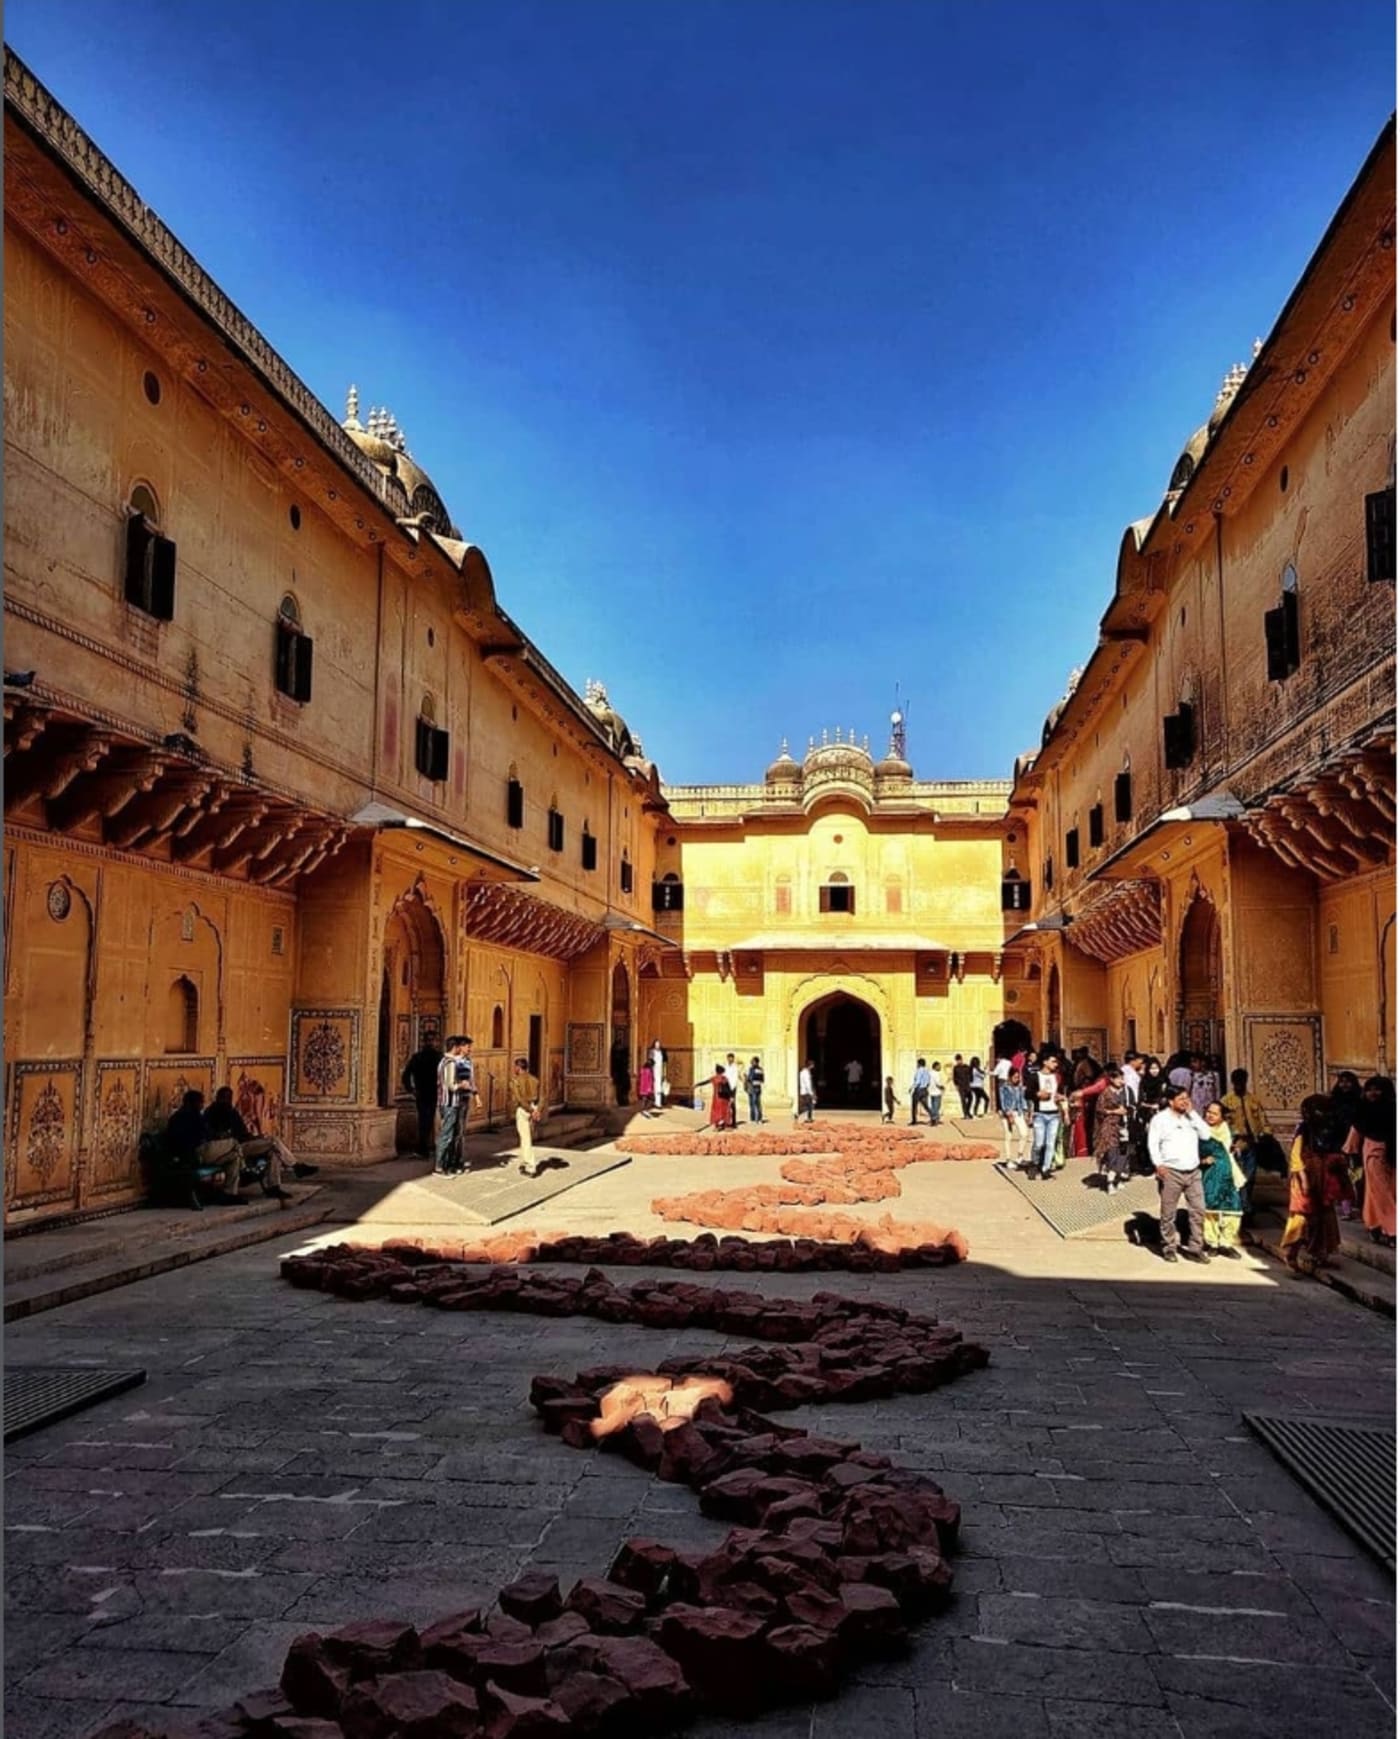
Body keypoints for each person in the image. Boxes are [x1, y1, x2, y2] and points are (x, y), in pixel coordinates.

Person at [1281, 1095, 1347, 1275]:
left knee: (1325, 1217)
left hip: (1323, 1177)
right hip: (1306, 1177)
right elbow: (1296, 1157)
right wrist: (1304, 1180)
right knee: (1301, 1218)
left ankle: (1320, 1253)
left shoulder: (1329, 1130)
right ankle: (1290, 1255)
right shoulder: (1304, 1130)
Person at [1147, 1086, 1212, 1263]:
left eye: (1186, 1098)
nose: (1185, 1101)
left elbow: (1206, 1135)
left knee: (1198, 1210)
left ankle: (1195, 1247)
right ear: (1171, 1101)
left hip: (1193, 1171)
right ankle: (1169, 1246)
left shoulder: (1191, 1117)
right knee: (1168, 1213)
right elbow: (1153, 1143)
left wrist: (1194, 1114)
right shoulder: (1160, 1120)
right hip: (1171, 1171)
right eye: (1181, 1098)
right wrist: (1158, 1164)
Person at [202, 1086, 292, 1199]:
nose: (227, 1101)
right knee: (273, 1142)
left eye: (229, 1098)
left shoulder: (232, 1112)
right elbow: (210, 1135)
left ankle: (274, 1187)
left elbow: (242, 1133)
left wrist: (255, 1138)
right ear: (218, 1098)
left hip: (242, 1144)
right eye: (224, 1098)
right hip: (231, 1148)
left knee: (273, 1152)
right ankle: (294, 1165)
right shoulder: (210, 1113)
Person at [1344, 1076, 1396, 1248]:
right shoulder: (1362, 1111)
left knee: (1382, 1192)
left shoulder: (1393, 1109)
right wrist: (1350, 1157)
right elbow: (1354, 1135)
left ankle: (1374, 1224)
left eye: (1377, 1089)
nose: (1373, 1093)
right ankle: (1393, 1230)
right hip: (1373, 1153)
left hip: (1393, 1153)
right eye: (1369, 1089)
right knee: (1381, 1191)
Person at [165, 1090, 241, 1202]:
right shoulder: (192, 1116)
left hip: (192, 1155)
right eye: (200, 1102)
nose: (202, 1105)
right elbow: (205, 1135)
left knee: (234, 1157)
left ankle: (229, 1194)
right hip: (197, 1153)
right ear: (194, 1103)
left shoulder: (177, 1117)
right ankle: (241, 1171)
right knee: (234, 1143)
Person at [1199, 1101, 1244, 1258]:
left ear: (1222, 1116)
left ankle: (1226, 1243)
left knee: (1233, 1210)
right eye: (1208, 1112)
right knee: (1210, 1210)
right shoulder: (1201, 1132)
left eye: (1214, 1113)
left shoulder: (1230, 1130)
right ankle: (1212, 1242)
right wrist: (1203, 1161)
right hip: (1210, 1174)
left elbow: (1239, 1143)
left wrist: (1238, 1148)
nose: (1210, 1116)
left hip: (1229, 1174)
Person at [1221, 1068, 1269, 1213]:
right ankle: (1244, 1206)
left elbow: (1262, 1119)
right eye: (1237, 1083)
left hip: (1252, 1142)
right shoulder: (1226, 1101)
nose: (1240, 1085)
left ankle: (1244, 1202)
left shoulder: (1253, 1100)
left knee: (1250, 1176)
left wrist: (1266, 1134)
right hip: (1236, 1143)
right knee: (1240, 1176)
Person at [434, 1035, 477, 1176]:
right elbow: (451, 1085)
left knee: (455, 1134)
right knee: (447, 1134)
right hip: (450, 1102)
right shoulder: (450, 1063)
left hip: (452, 1101)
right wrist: (462, 1084)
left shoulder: (444, 1061)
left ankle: (450, 1163)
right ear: (456, 1047)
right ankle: (440, 1166)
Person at [401, 1036, 443, 1158]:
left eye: (433, 1040)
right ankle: (424, 1147)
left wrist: (411, 1089)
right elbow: (406, 1075)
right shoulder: (420, 1057)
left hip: (430, 1092)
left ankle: (425, 1147)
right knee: (426, 1120)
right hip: (425, 1092)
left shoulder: (436, 1057)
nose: (431, 1042)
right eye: (429, 1040)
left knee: (427, 1120)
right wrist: (411, 1089)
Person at [1092, 1065, 1129, 1192]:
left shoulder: (1125, 1091)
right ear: (1112, 1079)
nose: (1122, 1081)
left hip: (1123, 1126)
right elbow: (1099, 1110)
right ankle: (1110, 1182)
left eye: (1122, 1078)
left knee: (1123, 1153)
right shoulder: (1106, 1093)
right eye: (1119, 1079)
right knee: (1112, 1152)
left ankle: (1118, 1178)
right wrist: (1115, 1111)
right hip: (1109, 1127)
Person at [1030, 1056, 1066, 1180]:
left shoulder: (1056, 1077)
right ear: (1045, 1062)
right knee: (1039, 1143)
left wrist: (1060, 1097)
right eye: (1053, 1061)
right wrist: (1037, 1094)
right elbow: (1027, 1093)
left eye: (1056, 1062)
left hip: (1054, 1114)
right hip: (1040, 1114)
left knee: (1050, 1143)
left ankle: (1046, 1168)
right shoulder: (1035, 1076)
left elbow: (1060, 1092)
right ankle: (1034, 1164)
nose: (1055, 1064)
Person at [511, 1057, 543, 1177]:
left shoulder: (515, 1081)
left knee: (525, 1138)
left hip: (524, 1109)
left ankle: (531, 1166)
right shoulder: (535, 1080)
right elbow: (543, 1097)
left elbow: (519, 1099)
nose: (514, 1069)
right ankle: (525, 1162)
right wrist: (537, 1110)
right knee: (527, 1136)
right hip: (533, 1106)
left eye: (515, 1067)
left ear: (519, 1068)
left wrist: (531, 1110)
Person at [1000, 1065, 1030, 1166]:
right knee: (1008, 1136)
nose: (1017, 1079)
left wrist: (1026, 1112)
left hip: (1019, 1112)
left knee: (1024, 1133)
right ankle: (1008, 1159)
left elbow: (1023, 1099)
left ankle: (1019, 1156)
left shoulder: (1020, 1087)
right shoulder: (1004, 1087)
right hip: (1008, 1113)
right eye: (1015, 1077)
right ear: (1010, 1077)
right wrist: (1008, 1113)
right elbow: (1003, 1101)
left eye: (1018, 1077)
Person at [707, 1062, 732, 1130]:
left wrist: (696, 1085)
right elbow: (729, 1088)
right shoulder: (724, 1078)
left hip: (716, 1097)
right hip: (724, 1098)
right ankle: (726, 1125)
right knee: (725, 1110)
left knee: (716, 1111)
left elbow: (704, 1082)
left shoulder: (714, 1078)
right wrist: (731, 1097)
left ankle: (717, 1126)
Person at [909, 1058, 933, 1126]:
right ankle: (933, 1118)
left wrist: (912, 1087)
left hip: (918, 1090)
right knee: (926, 1106)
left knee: (914, 1106)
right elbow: (928, 1081)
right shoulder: (927, 1071)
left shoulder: (919, 1071)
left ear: (919, 1064)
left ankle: (914, 1120)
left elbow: (918, 1081)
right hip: (924, 1090)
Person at [745, 1057, 765, 1123]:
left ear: (756, 1062)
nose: (751, 1063)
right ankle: (753, 1118)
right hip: (752, 1088)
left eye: (752, 1061)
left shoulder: (756, 1069)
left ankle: (758, 1119)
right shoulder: (753, 1069)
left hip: (754, 1088)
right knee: (752, 1104)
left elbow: (753, 1078)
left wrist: (747, 1077)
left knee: (756, 1103)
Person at [795, 1058, 816, 1124]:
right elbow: (807, 1084)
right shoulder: (806, 1073)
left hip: (803, 1091)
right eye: (812, 1065)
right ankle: (806, 1117)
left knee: (807, 1105)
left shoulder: (803, 1072)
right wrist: (811, 1093)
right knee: (809, 1106)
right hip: (806, 1092)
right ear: (810, 1065)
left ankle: (807, 1117)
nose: (813, 1066)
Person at [724, 1054, 741, 1129]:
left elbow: (735, 1078)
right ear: (727, 1058)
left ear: (733, 1059)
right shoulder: (725, 1066)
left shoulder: (735, 1067)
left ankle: (733, 1122)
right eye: (729, 1058)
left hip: (732, 1088)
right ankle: (726, 1122)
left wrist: (732, 1089)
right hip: (725, 1087)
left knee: (732, 1105)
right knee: (724, 1105)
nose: (730, 1060)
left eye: (731, 1058)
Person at [649, 1038, 667, 1110]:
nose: (658, 1045)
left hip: (660, 1069)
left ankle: (658, 1102)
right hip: (655, 1069)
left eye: (659, 1044)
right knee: (656, 1085)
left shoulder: (661, 1052)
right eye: (656, 1044)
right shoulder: (652, 1051)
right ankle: (657, 1102)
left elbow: (664, 1061)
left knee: (660, 1085)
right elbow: (650, 1060)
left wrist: (664, 1071)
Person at [928, 1061, 946, 1126]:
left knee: (933, 1106)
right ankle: (934, 1119)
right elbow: (938, 1083)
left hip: (931, 1091)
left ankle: (934, 1118)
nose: (940, 1067)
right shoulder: (936, 1074)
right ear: (935, 1066)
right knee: (936, 1106)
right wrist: (942, 1087)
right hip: (936, 1092)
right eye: (939, 1066)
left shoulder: (929, 1073)